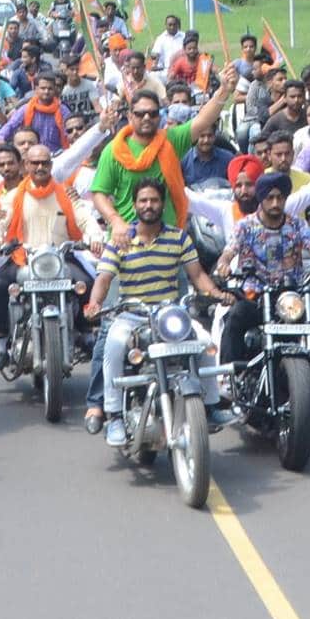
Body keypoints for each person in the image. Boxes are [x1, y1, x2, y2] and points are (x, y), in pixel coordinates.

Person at [83, 180, 237, 443]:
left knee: (204, 343)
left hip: (170, 314)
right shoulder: (120, 240)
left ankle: (210, 406)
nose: (149, 205)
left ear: (162, 204)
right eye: (143, 201)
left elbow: (197, 275)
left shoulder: (179, 237)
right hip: (132, 315)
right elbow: (104, 278)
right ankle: (115, 415)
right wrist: (94, 303)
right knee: (114, 346)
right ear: (134, 205)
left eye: (154, 200)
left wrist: (218, 295)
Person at [0, 142, 102, 361]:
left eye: (45, 163)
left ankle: (85, 333)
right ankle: (2, 343)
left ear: (51, 165)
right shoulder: (14, 196)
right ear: (26, 165)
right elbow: (0, 222)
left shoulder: (65, 194)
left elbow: (85, 218)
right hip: (24, 257)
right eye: (35, 163)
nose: (40, 167)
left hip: (61, 257)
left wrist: (95, 237)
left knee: (89, 283)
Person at [214, 172, 310, 376]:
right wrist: (224, 265)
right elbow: (228, 252)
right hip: (257, 296)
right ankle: (229, 377)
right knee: (235, 315)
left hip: (292, 298)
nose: (276, 203)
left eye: (280, 197)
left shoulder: (297, 225)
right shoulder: (245, 226)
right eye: (270, 198)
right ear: (260, 198)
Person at [88, 80, 230, 242]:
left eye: (152, 113)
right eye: (140, 114)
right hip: (127, 240)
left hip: (169, 240)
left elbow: (203, 120)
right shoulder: (114, 150)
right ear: (129, 116)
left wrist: (224, 91)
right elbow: (99, 193)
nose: (147, 117)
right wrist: (115, 221)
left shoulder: (170, 141)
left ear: (159, 116)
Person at [0, 70, 68, 152]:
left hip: (57, 155)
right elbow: (11, 125)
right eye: (43, 88)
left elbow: (70, 131)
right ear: (35, 89)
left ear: (54, 89)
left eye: (50, 89)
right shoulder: (26, 108)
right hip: (31, 155)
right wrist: (1, 137)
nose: (46, 92)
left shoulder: (63, 110)